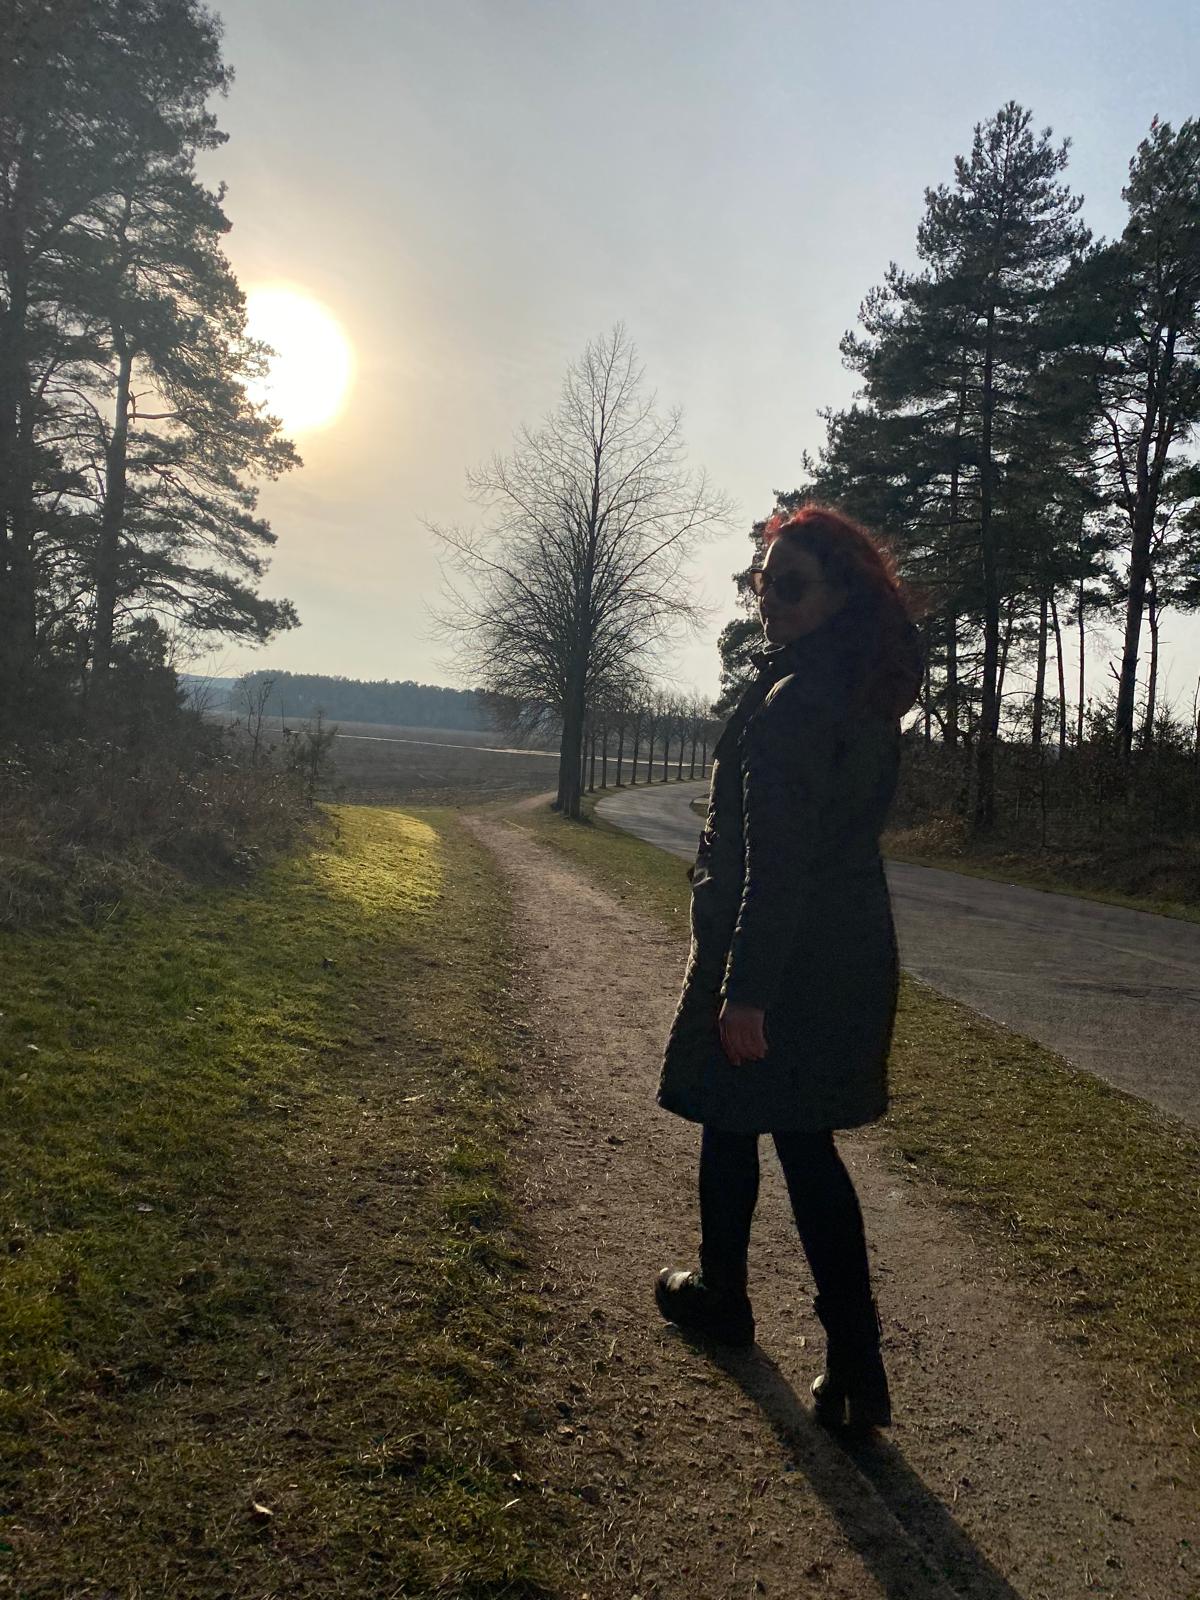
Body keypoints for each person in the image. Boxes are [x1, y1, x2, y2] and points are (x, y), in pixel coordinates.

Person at [654, 502, 923, 1431]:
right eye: (763, 584)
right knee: (788, 1138)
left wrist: (746, 991)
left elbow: (778, 862)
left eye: (791, 585)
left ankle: (740, 1306)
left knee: (752, 1123)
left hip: (784, 954)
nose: (770, 601)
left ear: (840, 594)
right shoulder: (858, 689)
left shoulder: (799, 700)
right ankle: (847, 1364)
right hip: (845, 951)